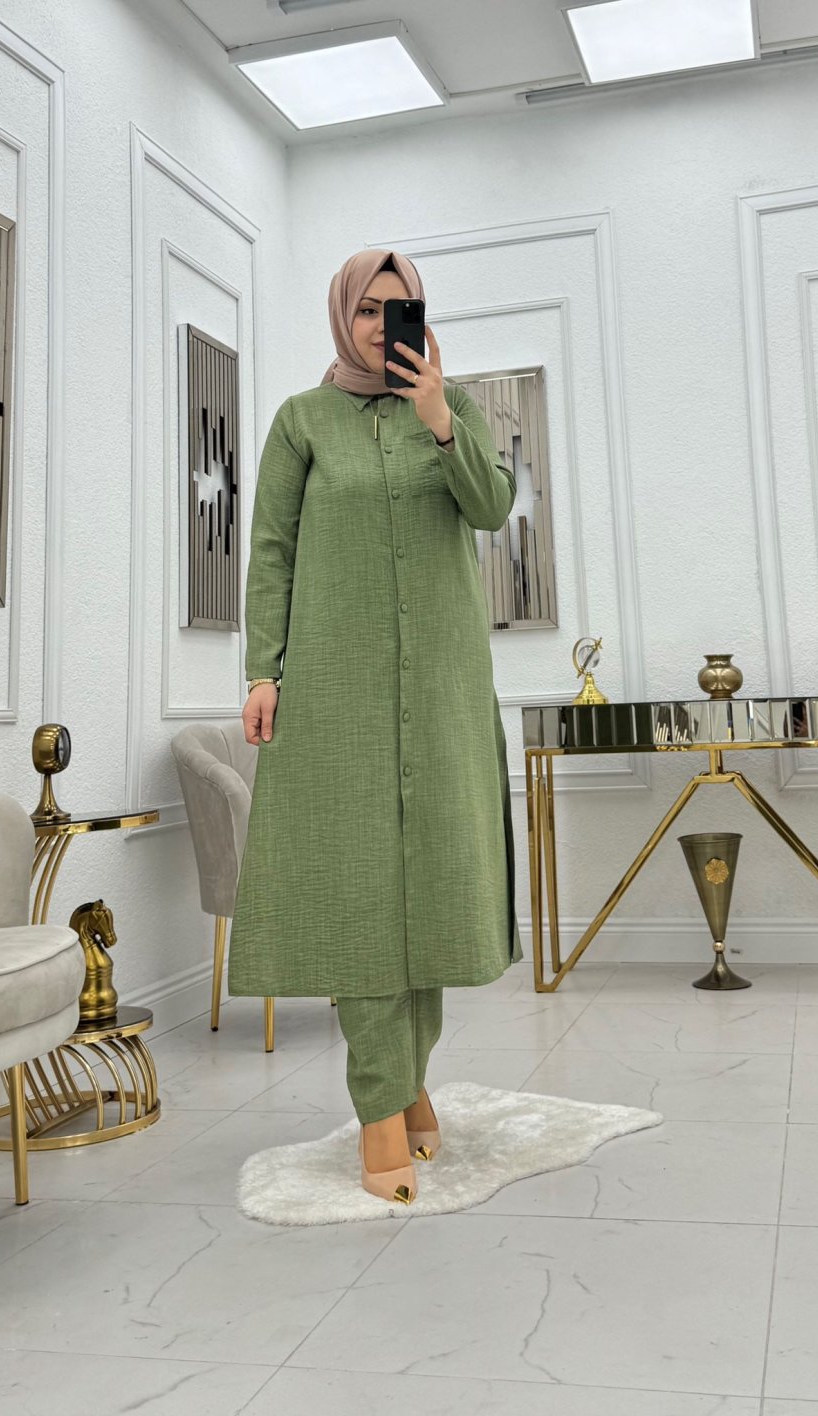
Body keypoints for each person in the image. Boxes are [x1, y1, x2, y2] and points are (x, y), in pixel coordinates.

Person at [231, 248, 523, 1206]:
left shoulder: (455, 407)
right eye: (368, 308)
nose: (382, 325)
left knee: (429, 888)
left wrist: (440, 419)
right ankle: (380, 1111)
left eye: (401, 309)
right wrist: (263, 670)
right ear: (342, 317)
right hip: (334, 688)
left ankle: (409, 1083)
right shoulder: (301, 421)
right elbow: (271, 549)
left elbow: (492, 507)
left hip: (440, 682)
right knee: (357, 892)